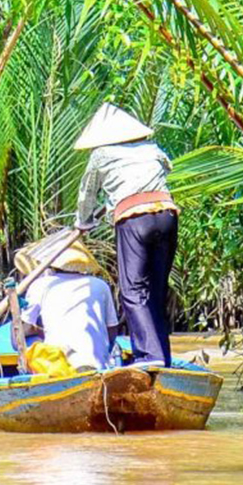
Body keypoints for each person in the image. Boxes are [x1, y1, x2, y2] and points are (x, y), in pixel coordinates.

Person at [73, 103, 178, 366]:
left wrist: (83, 222)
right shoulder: (151, 148)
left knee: (133, 292)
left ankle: (148, 356)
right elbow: (166, 169)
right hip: (167, 215)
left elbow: (87, 194)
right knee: (156, 289)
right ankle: (162, 357)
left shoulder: (100, 154)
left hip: (134, 219)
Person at [13, 236, 120, 370]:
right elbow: (112, 330)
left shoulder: (41, 285)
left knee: (31, 342)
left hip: (61, 367)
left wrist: (16, 311)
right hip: (98, 364)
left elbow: (17, 337)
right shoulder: (100, 285)